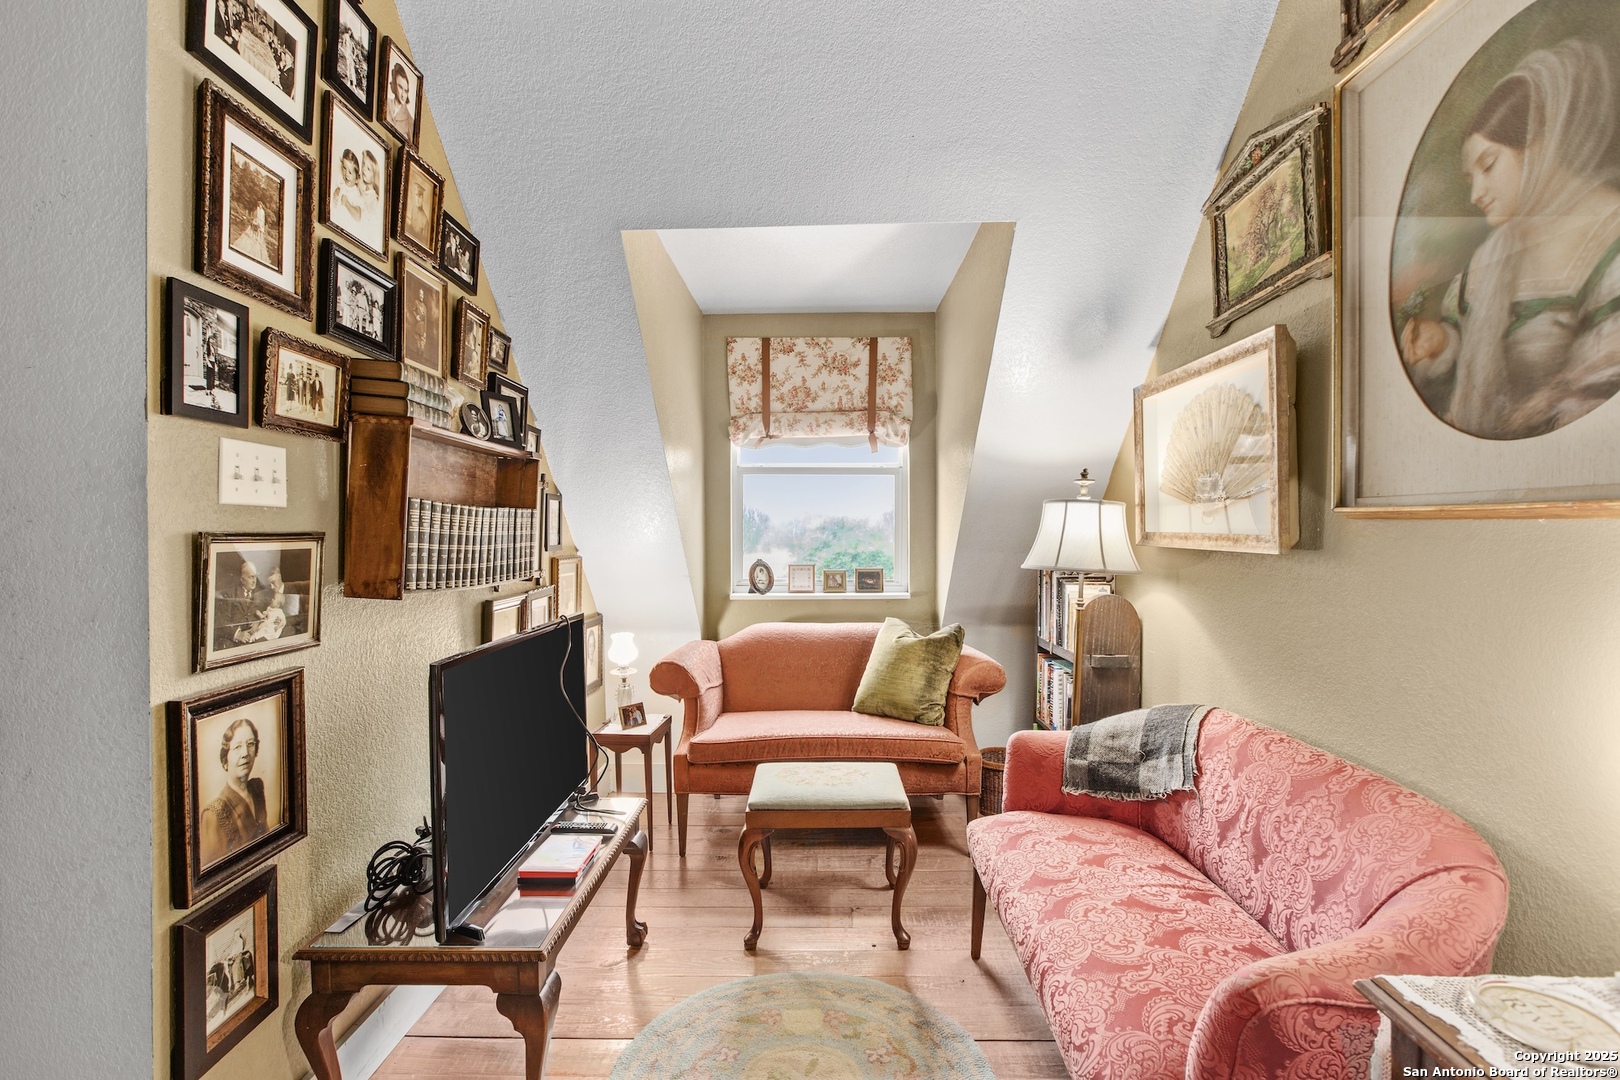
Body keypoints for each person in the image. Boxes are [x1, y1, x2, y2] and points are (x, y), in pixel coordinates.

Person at [1396, 39, 1620, 440]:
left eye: (1488, 165)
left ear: (1539, 148)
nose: (1476, 193)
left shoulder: (1610, 231)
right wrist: (1442, 341)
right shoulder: (1490, 256)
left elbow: (1600, 390)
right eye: (1470, 178)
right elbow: (1467, 338)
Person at [198, 716, 268, 867]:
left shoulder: (257, 790)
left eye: (250, 744)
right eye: (237, 747)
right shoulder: (213, 814)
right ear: (225, 759)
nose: (245, 753)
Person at [330, 148, 365, 231]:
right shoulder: (340, 183)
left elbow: (358, 217)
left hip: (347, 227)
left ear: (357, 179)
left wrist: (347, 204)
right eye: (344, 168)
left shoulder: (356, 194)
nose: (346, 174)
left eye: (350, 172)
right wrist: (335, 193)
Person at [384, 62, 414, 134]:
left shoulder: (410, 121)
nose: (403, 95)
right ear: (394, 84)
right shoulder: (386, 103)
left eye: (406, 91)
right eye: (400, 87)